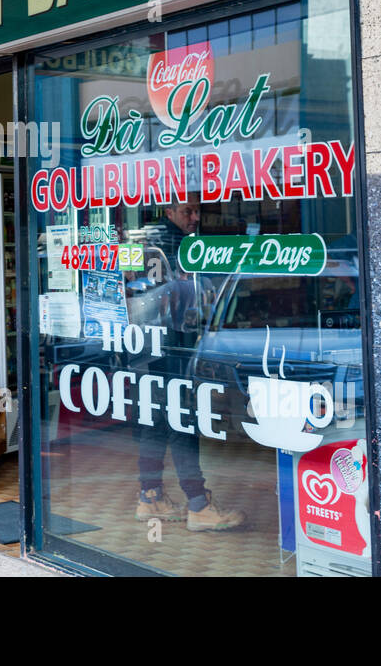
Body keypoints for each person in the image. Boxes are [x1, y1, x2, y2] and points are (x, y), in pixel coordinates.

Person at [134, 194, 245, 532]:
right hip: (172, 345)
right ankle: (198, 504)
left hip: (148, 346)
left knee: (155, 420)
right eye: (187, 211)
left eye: (197, 210)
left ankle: (149, 496)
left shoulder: (150, 238)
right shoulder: (176, 242)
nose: (195, 217)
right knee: (182, 419)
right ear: (169, 211)